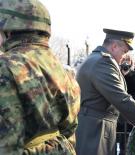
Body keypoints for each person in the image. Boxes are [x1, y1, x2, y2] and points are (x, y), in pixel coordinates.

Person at [0, 0, 81, 154]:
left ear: (8, 30)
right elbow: (69, 131)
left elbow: (6, 144)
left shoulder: (5, 66)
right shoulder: (62, 69)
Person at [76, 28, 135, 155]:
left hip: (96, 128)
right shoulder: (103, 63)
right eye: (124, 51)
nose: (124, 57)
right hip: (95, 132)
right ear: (114, 46)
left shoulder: (97, 60)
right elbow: (121, 99)